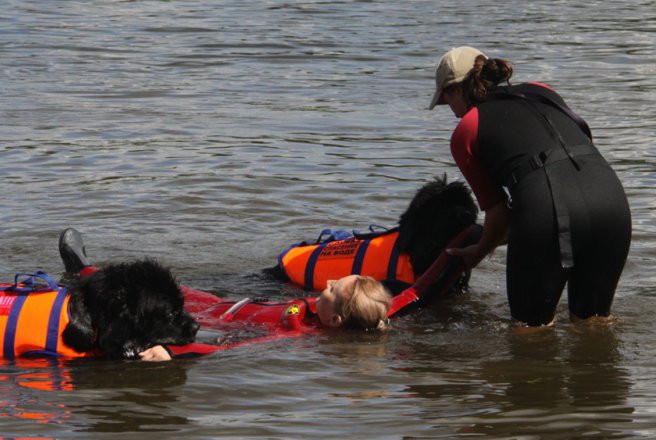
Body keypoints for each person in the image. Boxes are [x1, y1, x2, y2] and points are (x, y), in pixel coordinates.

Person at [428, 46, 631, 326]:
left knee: (530, 332)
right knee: (594, 324)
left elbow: (498, 213)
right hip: (611, 198)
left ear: (454, 91)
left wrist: (479, 251)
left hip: (548, 205)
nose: (451, 112)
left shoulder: (467, 128)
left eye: (445, 100)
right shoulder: (540, 89)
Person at [57, 229, 392, 361]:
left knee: (153, 313)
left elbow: (230, 346)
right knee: (161, 289)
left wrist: (171, 352)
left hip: (218, 320)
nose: (329, 280)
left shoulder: (296, 333)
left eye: (334, 288)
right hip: (221, 302)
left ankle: (81, 274)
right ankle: (86, 271)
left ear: (334, 319)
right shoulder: (321, 312)